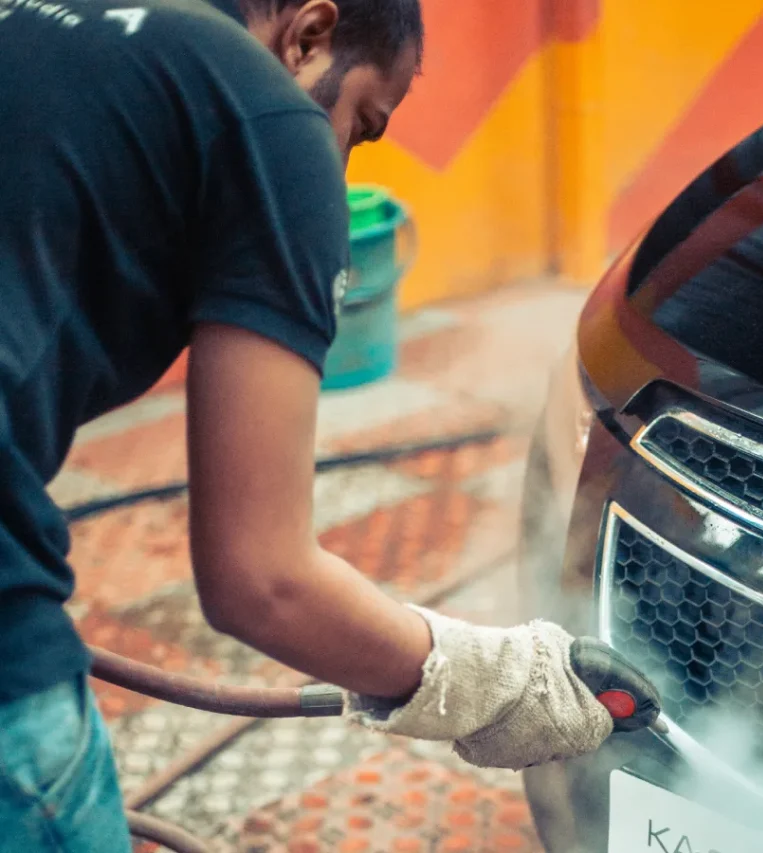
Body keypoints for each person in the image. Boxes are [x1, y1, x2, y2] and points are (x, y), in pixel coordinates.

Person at [0, 0, 613, 848]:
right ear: (310, 35)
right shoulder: (269, 114)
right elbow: (262, 579)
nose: (341, 169)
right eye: (361, 124)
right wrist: (505, 682)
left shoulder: (45, 25)